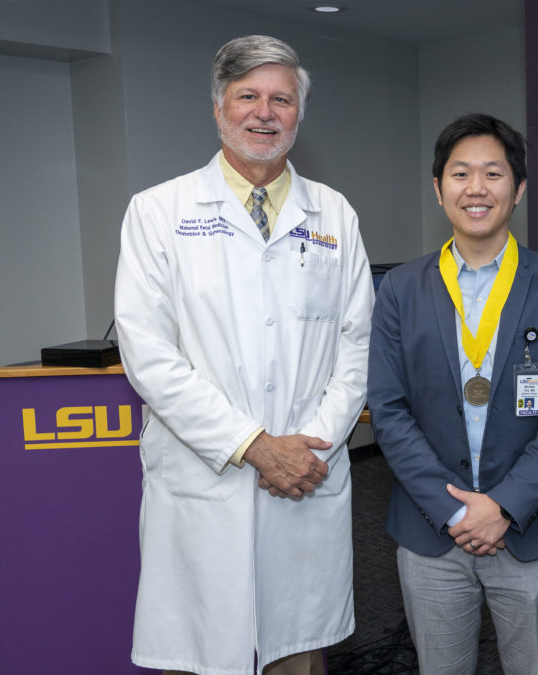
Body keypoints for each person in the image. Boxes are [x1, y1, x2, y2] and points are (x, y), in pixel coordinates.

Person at [114, 35, 373, 675]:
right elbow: (149, 356)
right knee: (202, 649)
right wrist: (255, 445)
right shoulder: (158, 213)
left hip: (305, 474)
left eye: (281, 99)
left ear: (298, 113)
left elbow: (358, 344)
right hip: (210, 474)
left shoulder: (334, 214)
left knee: (297, 655)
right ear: (218, 108)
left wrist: (307, 447)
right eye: (248, 96)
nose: (265, 112)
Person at [367, 113, 538, 674]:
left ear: (518, 189)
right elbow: (389, 409)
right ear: (438, 189)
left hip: (529, 529)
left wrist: (504, 506)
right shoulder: (400, 288)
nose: (476, 188)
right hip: (431, 531)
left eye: (493, 174)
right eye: (460, 173)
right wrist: (454, 511)